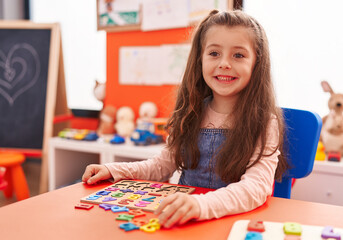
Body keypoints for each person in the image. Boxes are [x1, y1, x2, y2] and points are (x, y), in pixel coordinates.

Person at [82, 9, 288, 228]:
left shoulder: (265, 122)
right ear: (200, 59)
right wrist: (116, 171)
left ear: (257, 63)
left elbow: (256, 187)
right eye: (214, 53)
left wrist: (202, 205)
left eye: (238, 55)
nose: (225, 64)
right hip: (186, 221)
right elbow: (161, 165)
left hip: (231, 223)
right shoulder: (191, 111)